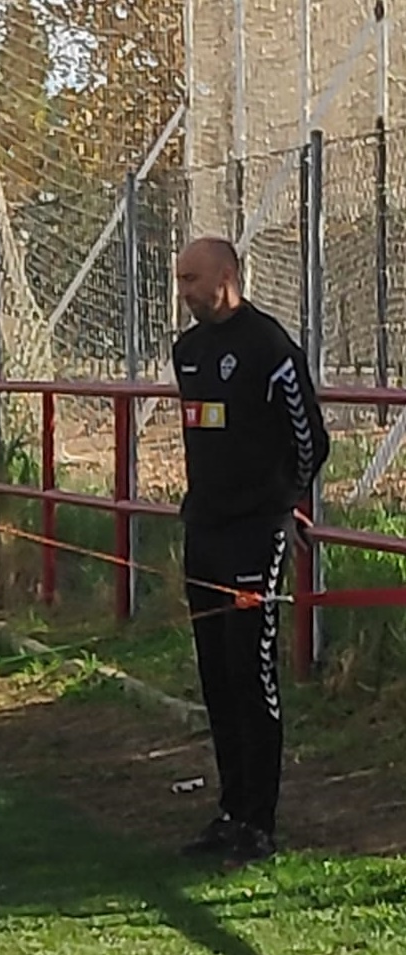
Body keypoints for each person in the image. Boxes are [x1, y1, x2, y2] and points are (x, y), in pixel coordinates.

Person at [172, 237, 330, 865]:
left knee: (250, 672)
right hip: (204, 532)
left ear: (228, 277)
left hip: (253, 534)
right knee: (215, 674)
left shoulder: (269, 348)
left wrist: (281, 505)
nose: (185, 291)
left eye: (194, 278)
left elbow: (310, 439)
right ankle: (229, 810)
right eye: (180, 279)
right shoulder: (186, 351)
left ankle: (259, 822)